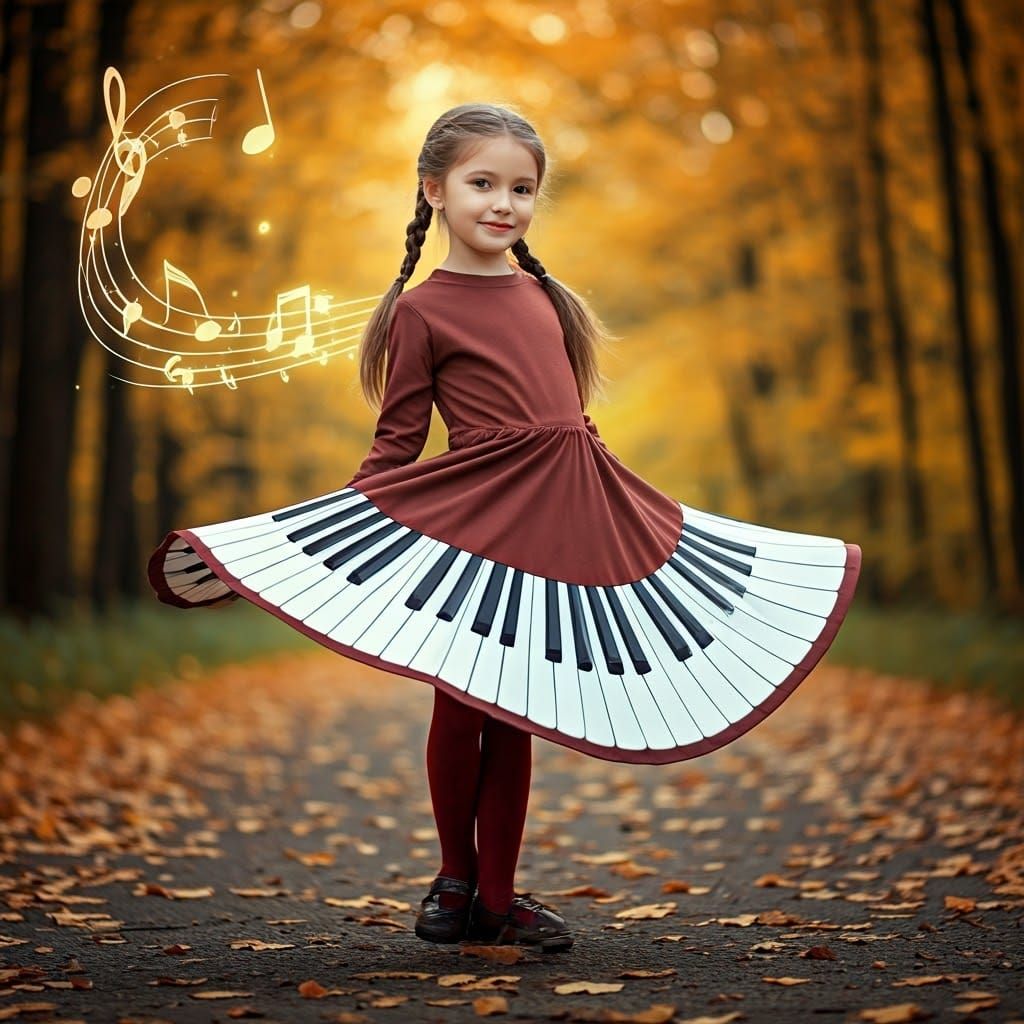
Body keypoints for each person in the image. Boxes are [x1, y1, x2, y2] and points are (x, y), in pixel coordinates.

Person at [147, 103, 862, 954]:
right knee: (464, 699)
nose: (504, 204)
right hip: (477, 529)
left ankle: (498, 895)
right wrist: (299, 548)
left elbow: (567, 428)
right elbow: (396, 447)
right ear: (435, 191)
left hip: (562, 523)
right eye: (483, 183)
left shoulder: (551, 301)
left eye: (522, 189)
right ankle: (455, 880)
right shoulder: (421, 313)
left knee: (518, 710)